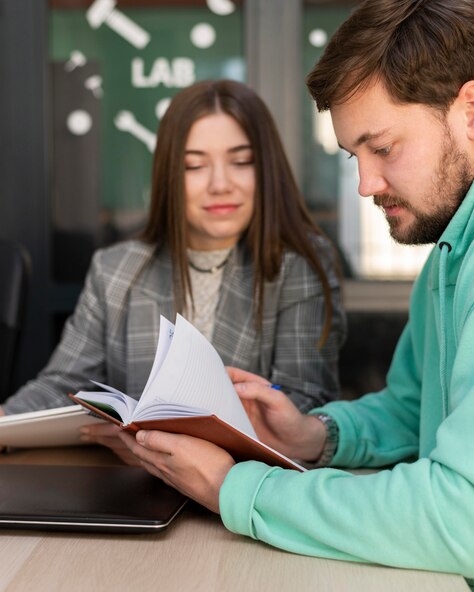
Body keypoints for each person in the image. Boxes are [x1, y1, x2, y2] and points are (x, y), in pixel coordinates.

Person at [118, 1, 474, 590]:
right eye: (354, 155)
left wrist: (238, 490)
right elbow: (420, 410)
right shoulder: (468, 233)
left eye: (382, 148)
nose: (364, 184)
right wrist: (316, 436)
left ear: (472, 110)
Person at [1, 79, 346, 460]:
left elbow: (304, 403)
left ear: (266, 170)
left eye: (241, 161)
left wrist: (163, 442)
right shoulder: (116, 269)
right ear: (169, 175)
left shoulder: (299, 266)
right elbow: (63, 384)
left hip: (242, 488)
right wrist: (6, 421)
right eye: (194, 165)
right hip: (129, 487)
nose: (220, 184)